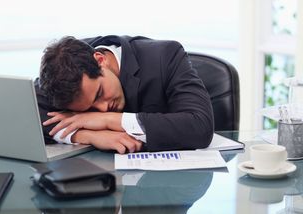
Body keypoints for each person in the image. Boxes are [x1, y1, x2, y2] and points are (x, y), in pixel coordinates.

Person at [34, 35, 214, 154]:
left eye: (99, 94)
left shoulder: (165, 56)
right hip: (99, 180)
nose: (102, 109)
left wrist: (109, 121)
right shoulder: (62, 67)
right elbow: (27, 113)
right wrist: (86, 135)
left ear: (100, 60)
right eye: (88, 109)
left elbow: (200, 126)